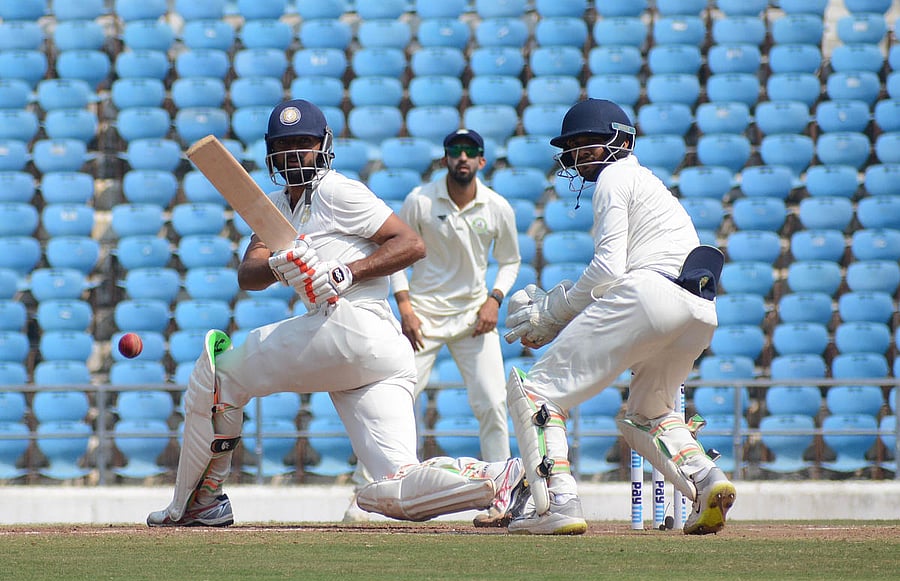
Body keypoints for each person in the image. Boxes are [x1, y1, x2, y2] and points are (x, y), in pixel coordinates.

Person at [146, 99, 523, 527]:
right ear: (270, 152)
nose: (294, 154)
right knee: (393, 488)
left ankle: (200, 502)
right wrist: (273, 265)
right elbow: (247, 275)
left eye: (303, 143)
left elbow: (410, 244)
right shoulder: (273, 208)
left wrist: (346, 272)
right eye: (285, 145)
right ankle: (502, 476)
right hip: (378, 355)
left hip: (354, 324)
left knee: (217, 374)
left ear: (323, 146)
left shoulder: (336, 190)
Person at [503, 98, 735, 535]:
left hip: (651, 294)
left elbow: (609, 270)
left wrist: (553, 313)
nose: (580, 153)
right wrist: (566, 310)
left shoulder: (614, 176)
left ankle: (557, 502)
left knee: (536, 394)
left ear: (621, 140)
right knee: (646, 413)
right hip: (699, 308)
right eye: (574, 145)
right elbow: (615, 279)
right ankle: (707, 480)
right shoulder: (649, 184)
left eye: (590, 142)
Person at [344, 129, 523, 525]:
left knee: (493, 404)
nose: (462, 158)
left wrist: (494, 300)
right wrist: (405, 306)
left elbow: (510, 260)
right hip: (422, 319)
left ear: (482, 161)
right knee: (392, 404)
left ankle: (502, 497)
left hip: (475, 320)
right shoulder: (421, 200)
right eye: (455, 152)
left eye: (470, 152)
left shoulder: (497, 207)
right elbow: (394, 252)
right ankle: (365, 498)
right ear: (445, 159)